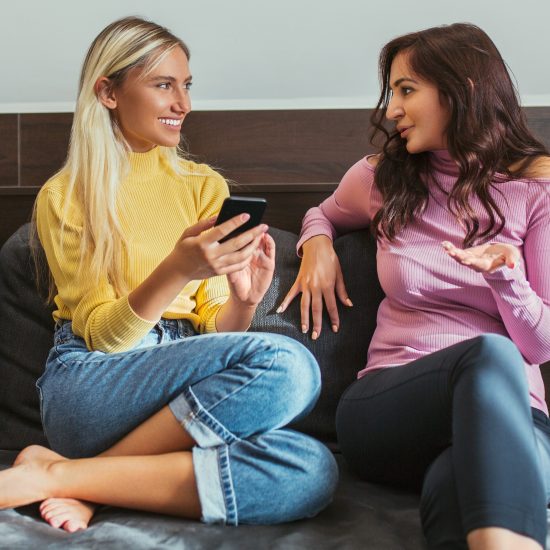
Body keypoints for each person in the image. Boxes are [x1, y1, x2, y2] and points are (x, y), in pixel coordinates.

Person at [0, 16, 338, 533]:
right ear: (108, 92)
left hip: (184, 378)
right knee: (291, 366)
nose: (183, 103)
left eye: (186, 85)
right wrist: (179, 268)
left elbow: (215, 332)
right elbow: (102, 336)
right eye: (163, 85)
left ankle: (66, 478)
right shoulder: (66, 194)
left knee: (311, 471)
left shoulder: (203, 186)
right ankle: (77, 471)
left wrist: (245, 302)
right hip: (94, 384)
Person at [278, 23, 550, 550]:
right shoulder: (381, 178)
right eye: (392, 93)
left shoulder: (536, 187)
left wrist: (505, 279)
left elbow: (540, 346)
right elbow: (322, 213)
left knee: (459, 481)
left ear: (462, 89)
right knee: (489, 355)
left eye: (407, 90)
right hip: (389, 407)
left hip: (516, 414)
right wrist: (316, 246)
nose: (392, 110)